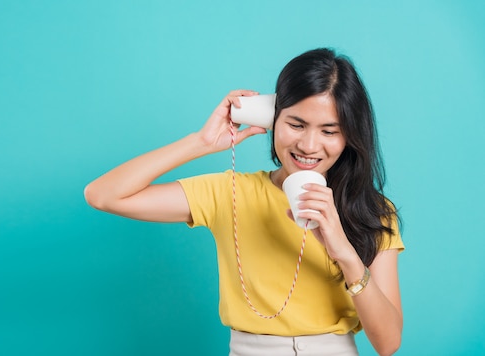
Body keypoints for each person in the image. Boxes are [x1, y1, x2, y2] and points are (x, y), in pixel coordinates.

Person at [84, 48, 404, 356]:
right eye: (296, 124)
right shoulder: (230, 193)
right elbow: (103, 195)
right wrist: (202, 142)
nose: (309, 145)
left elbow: (388, 343)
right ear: (271, 119)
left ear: (349, 136)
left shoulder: (373, 211)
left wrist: (344, 253)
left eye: (329, 131)